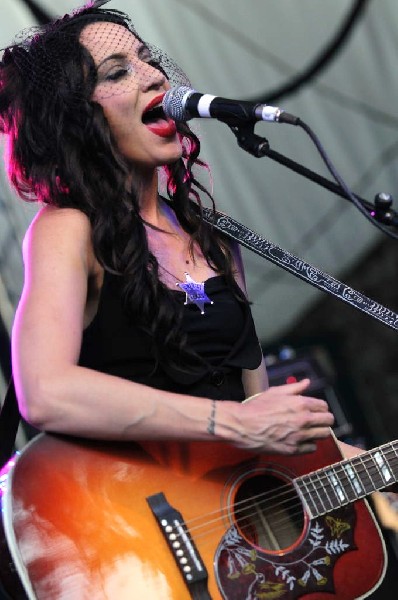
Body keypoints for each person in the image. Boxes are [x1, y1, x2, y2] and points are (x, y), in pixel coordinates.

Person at [0, 1, 337, 459]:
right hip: (131, 516)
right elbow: (44, 392)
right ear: (76, 119)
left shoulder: (213, 240)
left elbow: (260, 417)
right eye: (117, 72)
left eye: (149, 60)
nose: (155, 76)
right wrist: (232, 422)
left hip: (228, 520)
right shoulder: (66, 229)